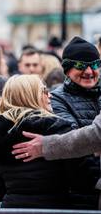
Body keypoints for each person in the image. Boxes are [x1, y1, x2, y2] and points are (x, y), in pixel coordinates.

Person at [13, 36, 101, 209]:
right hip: (78, 191)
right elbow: (72, 137)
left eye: (96, 65)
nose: (90, 71)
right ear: (67, 70)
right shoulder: (57, 98)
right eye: (81, 66)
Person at [0, 75, 77, 208]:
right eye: (44, 91)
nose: (49, 95)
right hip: (55, 208)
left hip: (13, 209)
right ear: (30, 96)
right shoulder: (60, 128)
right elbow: (80, 177)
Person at [12, 112, 101, 209]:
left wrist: (47, 145)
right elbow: (96, 135)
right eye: (45, 94)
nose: (50, 96)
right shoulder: (58, 126)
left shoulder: (0, 133)